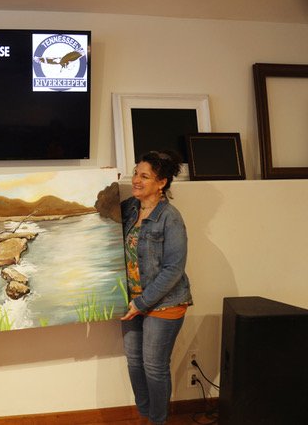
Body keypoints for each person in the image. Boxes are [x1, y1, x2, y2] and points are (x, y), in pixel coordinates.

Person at [120, 151, 193, 425]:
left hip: (165, 302)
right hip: (132, 301)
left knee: (154, 367)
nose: (135, 180)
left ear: (161, 182)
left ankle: (158, 421)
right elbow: (99, 208)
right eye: (135, 173)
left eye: (144, 176)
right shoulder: (130, 208)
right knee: (134, 364)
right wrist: (100, 178)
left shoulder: (170, 218)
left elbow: (174, 269)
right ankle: (146, 416)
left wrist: (142, 303)